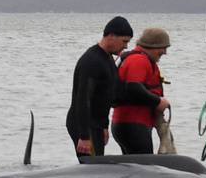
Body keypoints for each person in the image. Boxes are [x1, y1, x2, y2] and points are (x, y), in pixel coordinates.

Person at [66, 16, 135, 159]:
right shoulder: (91, 61)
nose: (126, 46)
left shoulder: (107, 58)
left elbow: (106, 97)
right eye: (124, 41)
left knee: (98, 165)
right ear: (111, 36)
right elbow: (83, 99)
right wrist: (84, 136)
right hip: (82, 124)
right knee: (92, 169)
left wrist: (104, 126)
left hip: (96, 124)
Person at [111, 27, 173, 155]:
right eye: (163, 48)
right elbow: (134, 88)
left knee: (133, 167)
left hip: (129, 124)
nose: (165, 52)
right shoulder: (138, 60)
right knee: (144, 168)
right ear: (152, 46)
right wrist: (158, 101)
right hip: (133, 125)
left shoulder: (137, 58)